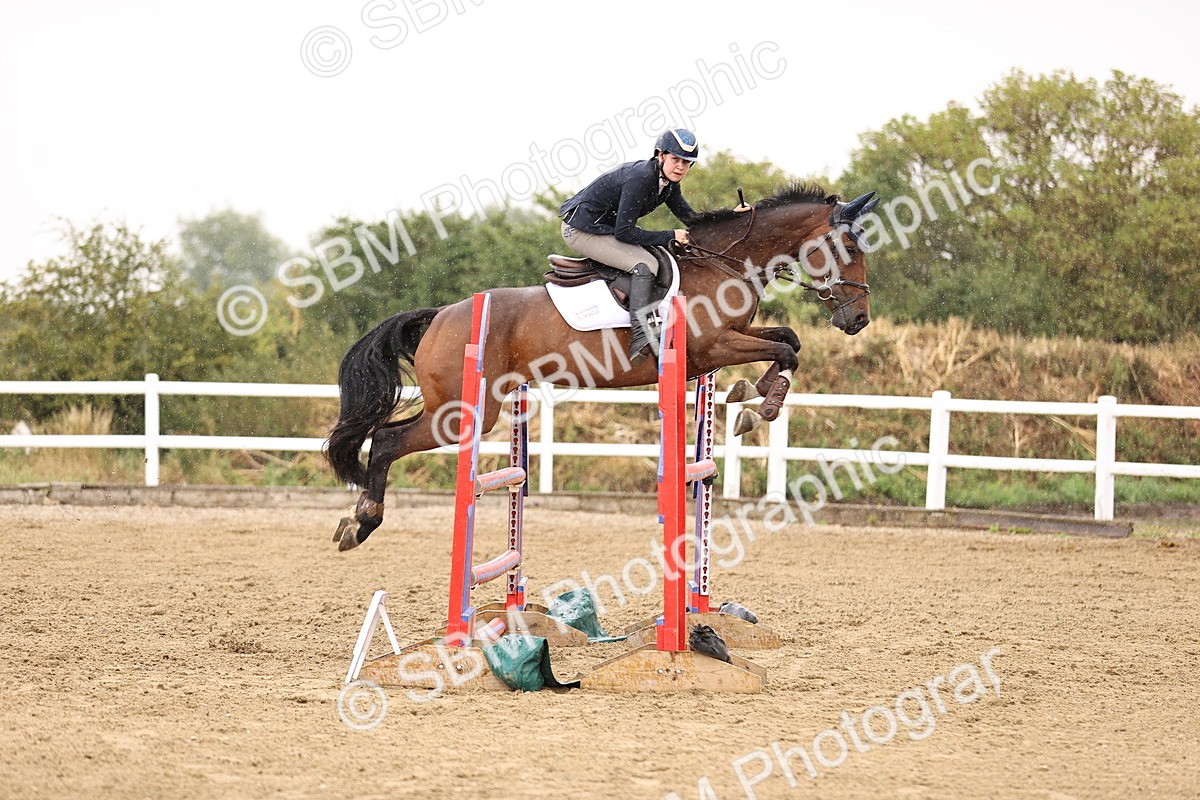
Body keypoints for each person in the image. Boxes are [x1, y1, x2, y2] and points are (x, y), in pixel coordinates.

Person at [558, 128, 749, 362]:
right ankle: (640, 335)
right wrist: (669, 235)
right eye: (675, 159)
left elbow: (691, 218)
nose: (680, 167)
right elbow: (624, 232)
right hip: (580, 230)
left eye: (686, 162)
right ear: (660, 156)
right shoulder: (641, 178)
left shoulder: (668, 184)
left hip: (602, 229)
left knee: (659, 259)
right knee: (645, 265)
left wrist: (731, 216)